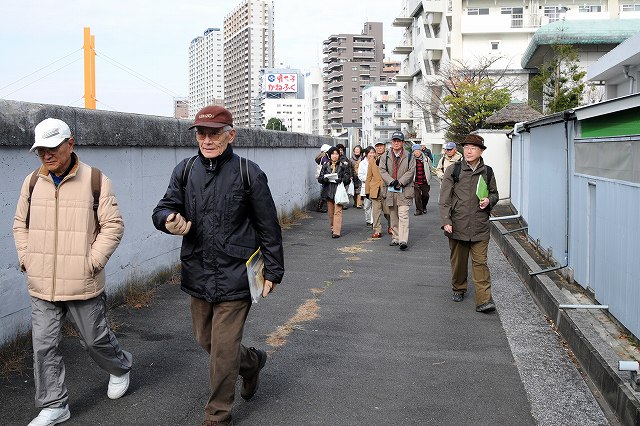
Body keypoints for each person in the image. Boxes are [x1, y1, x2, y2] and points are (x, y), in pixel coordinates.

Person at [152, 105, 285, 426]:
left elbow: (269, 225)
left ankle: (218, 416)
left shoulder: (248, 172)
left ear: (230, 135)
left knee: (223, 351)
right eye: (202, 133)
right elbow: (163, 207)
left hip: (237, 275)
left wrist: (274, 270)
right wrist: (168, 219)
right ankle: (252, 363)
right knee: (206, 341)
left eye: (214, 133)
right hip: (198, 271)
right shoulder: (185, 171)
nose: (207, 140)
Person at [13, 118, 132, 426]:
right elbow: (20, 225)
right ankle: (54, 405)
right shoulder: (31, 182)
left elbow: (113, 226)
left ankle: (119, 367)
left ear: (70, 144)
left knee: (94, 340)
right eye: (40, 150)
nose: (46, 156)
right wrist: (27, 258)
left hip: (82, 280)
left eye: (52, 149)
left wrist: (91, 262)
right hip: (41, 283)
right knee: (44, 345)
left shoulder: (95, 180)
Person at [439, 134, 499, 313]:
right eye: (466, 148)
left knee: (480, 264)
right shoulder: (454, 170)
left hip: (480, 225)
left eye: (473, 148)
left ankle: (484, 300)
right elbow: (444, 199)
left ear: (481, 151)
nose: (469, 151)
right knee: (459, 262)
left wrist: (489, 200)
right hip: (457, 224)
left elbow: (495, 194)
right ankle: (458, 287)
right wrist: (446, 221)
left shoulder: (487, 171)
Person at [379, 131, 416, 250]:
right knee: (393, 215)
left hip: (404, 189)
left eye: (398, 141)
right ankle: (395, 237)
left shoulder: (410, 156)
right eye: (394, 140)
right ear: (391, 142)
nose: (396, 143)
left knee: (403, 215)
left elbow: (411, 171)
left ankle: (403, 240)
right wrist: (391, 181)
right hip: (390, 189)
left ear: (403, 143)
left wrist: (400, 182)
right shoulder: (385, 155)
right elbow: (382, 170)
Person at [318, 146, 352, 238]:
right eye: (332, 154)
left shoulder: (343, 165)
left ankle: (336, 231)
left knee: (338, 212)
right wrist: (324, 179)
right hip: (328, 191)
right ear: (329, 155)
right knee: (331, 213)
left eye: (336, 154)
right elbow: (320, 178)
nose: (334, 156)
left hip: (339, 191)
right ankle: (333, 227)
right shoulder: (325, 165)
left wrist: (341, 179)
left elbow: (348, 179)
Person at [372, 140, 392, 235]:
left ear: (384, 147)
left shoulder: (389, 158)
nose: (379, 148)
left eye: (381, 146)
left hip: (386, 188)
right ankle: (377, 230)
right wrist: (367, 191)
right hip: (375, 189)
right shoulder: (372, 160)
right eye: (378, 146)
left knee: (388, 212)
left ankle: (391, 226)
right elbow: (369, 176)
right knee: (376, 212)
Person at [412, 144, 432, 216]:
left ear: (421, 151)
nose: (416, 152)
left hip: (425, 181)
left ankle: (424, 207)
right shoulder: (411, 160)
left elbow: (430, 169)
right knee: (417, 197)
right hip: (416, 181)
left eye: (418, 151)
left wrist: (429, 178)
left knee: (426, 196)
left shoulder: (426, 159)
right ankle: (419, 210)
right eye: (415, 151)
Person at [357, 146, 374, 228]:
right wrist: (368, 179)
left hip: (375, 187)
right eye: (370, 152)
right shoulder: (362, 163)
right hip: (366, 186)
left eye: (373, 152)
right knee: (367, 205)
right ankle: (368, 220)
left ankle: (374, 220)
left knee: (375, 205)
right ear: (366, 154)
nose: (372, 154)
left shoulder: (376, 162)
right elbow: (360, 175)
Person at [314, 143, 331, 213]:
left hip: (322, 177)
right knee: (324, 192)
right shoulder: (325, 158)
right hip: (324, 177)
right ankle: (319, 207)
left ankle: (320, 206)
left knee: (324, 191)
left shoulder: (322, 157)